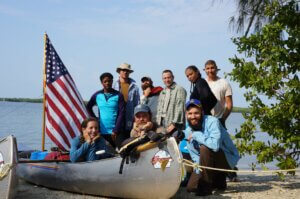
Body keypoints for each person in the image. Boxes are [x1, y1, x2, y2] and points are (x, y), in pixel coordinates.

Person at [184, 99, 239, 196]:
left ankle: (206, 187)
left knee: (205, 148)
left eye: (196, 113)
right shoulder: (188, 130)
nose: (193, 116)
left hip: (226, 158)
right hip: (207, 163)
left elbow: (215, 146)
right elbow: (195, 156)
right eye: (190, 113)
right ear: (186, 115)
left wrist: (196, 135)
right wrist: (198, 173)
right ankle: (218, 178)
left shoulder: (213, 121)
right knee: (191, 188)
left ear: (202, 112)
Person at [86, 72, 125, 148]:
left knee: (121, 151)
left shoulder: (118, 95)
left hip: (116, 131)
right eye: (105, 81)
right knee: (105, 153)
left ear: (112, 81)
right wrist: (95, 119)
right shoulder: (97, 95)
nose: (107, 83)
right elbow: (88, 107)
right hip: (102, 131)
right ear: (102, 83)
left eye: (109, 81)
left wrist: (116, 130)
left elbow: (121, 113)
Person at [156, 70, 187, 136]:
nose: (167, 80)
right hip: (162, 123)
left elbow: (180, 108)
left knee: (173, 143)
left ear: (173, 77)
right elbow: (159, 108)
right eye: (165, 78)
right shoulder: (162, 92)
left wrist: (174, 124)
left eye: (168, 77)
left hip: (174, 123)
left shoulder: (179, 89)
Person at [113, 63, 140, 137]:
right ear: (119, 71)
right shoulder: (113, 84)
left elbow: (137, 103)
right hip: (116, 116)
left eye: (127, 71)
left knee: (128, 136)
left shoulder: (134, 86)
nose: (125, 72)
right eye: (123, 70)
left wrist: (136, 118)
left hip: (129, 116)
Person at [204, 60, 233, 128]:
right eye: (207, 68)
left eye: (212, 68)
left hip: (218, 119)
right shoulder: (202, 83)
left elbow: (229, 105)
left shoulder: (224, 83)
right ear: (204, 70)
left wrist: (222, 119)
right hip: (204, 120)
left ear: (216, 69)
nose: (210, 70)